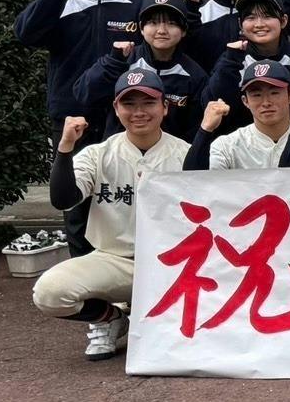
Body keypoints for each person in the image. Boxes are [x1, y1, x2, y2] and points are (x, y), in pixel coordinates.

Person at [32, 71, 189, 360]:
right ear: (116, 108)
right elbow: (63, 199)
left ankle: (156, 317)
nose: (139, 112)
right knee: (50, 293)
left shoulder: (186, 154)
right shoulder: (98, 154)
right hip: (114, 260)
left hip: (175, 266)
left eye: (148, 102)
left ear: (165, 106)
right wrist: (64, 148)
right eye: (129, 104)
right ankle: (111, 318)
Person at [15, 0, 140, 255]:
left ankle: (124, 274)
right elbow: (26, 34)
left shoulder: (133, 4)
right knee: (76, 203)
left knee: (120, 196)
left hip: (121, 116)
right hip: (72, 117)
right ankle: (84, 278)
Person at [73, 0, 207, 144]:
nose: (161, 30)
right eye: (153, 23)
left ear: (183, 31)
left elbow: (194, 128)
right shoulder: (123, 60)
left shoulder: (195, 75)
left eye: (171, 23)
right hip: (121, 151)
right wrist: (114, 63)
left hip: (170, 154)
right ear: (141, 29)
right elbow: (83, 93)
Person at [202, 0, 290, 136]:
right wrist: (230, 63)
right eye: (251, 18)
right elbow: (210, 103)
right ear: (240, 24)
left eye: (267, 16)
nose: (259, 24)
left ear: (283, 21)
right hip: (241, 141)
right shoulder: (232, 58)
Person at [185, 62, 290, 169]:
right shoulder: (227, 146)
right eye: (256, 95)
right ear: (245, 101)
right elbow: (195, 182)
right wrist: (205, 130)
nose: (266, 102)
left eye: (274, 93)